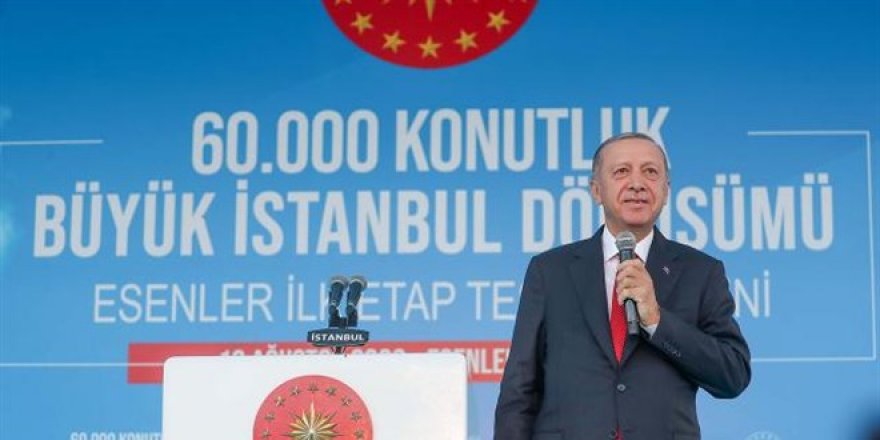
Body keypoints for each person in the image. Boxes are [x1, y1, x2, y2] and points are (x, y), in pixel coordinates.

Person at [494, 132, 751, 440]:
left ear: (666, 191)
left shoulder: (701, 272)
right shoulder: (550, 271)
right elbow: (519, 390)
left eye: (650, 172)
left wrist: (657, 321)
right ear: (596, 190)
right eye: (621, 171)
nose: (637, 183)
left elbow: (733, 374)